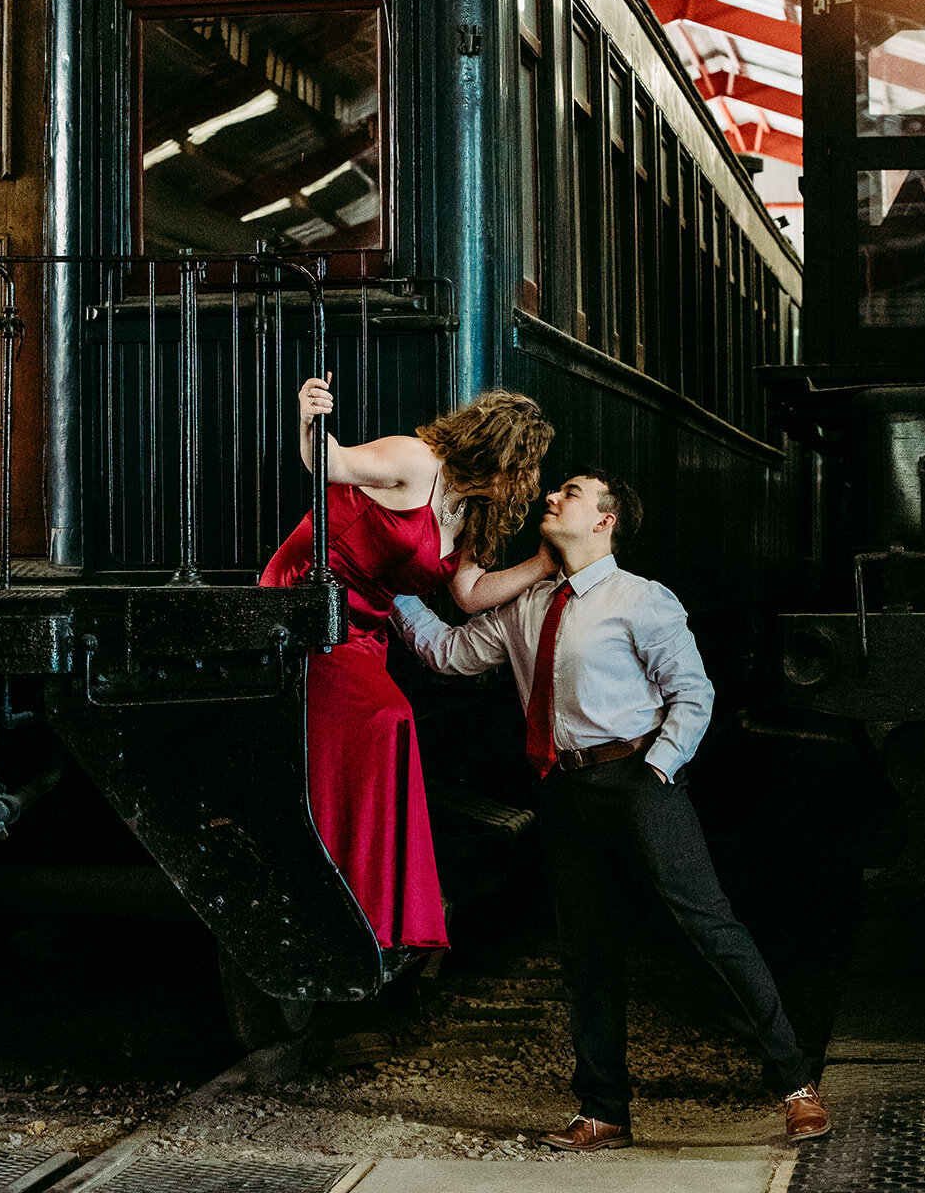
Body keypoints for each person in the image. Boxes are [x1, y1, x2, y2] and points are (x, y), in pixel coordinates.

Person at [391, 468, 831, 1147]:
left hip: (635, 780)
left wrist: (656, 770)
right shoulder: (526, 604)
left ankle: (795, 1086)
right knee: (586, 953)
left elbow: (692, 691)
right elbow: (448, 654)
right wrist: (389, 590)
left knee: (707, 932)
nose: (551, 498)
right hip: (562, 792)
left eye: (568, 492)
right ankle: (603, 1111)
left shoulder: (640, 599)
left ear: (604, 520)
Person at [260, 376, 555, 953]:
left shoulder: (472, 514)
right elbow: (329, 463)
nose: (530, 481)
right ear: (497, 451)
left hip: (363, 627)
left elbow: (468, 595)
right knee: (387, 717)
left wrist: (543, 565)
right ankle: (344, 889)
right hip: (307, 604)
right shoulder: (416, 461)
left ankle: (375, 909)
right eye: (525, 464)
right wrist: (305, 414)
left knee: (394, 722)